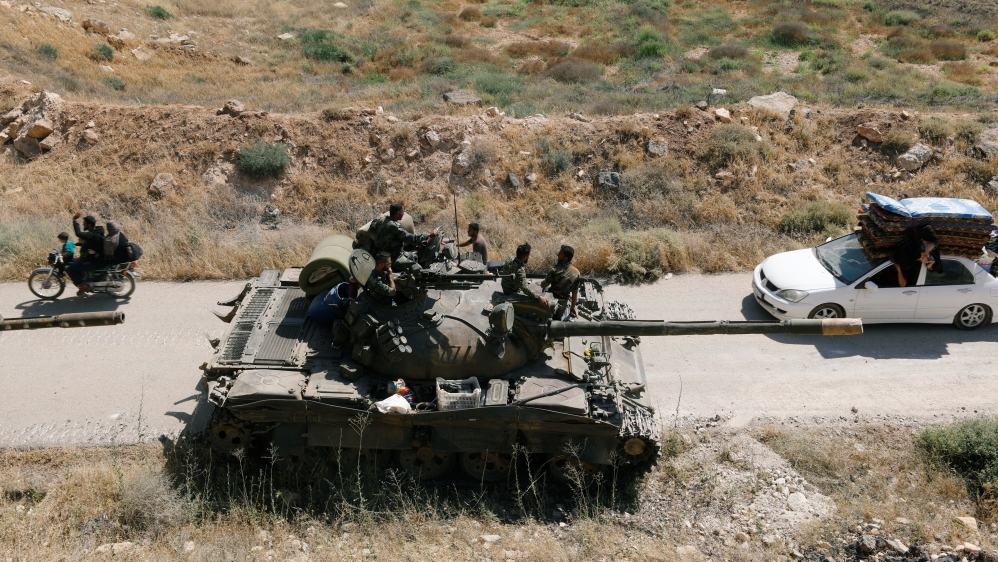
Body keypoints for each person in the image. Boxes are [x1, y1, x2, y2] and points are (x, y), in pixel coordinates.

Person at [374, 203, 439, 272]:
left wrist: (379, 217)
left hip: (389, 255)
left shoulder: (381, 221)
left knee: (416, 256)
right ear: (397, 213)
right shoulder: (394, 227)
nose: (403, 214)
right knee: (417, 268)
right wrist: (428, 235)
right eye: (402, 211)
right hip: (393, 259)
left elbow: (373, 223)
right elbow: (411, 238)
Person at [68, 212, 106, 295]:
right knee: (76, 262)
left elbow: (78, 234)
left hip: (95, 261)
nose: (83, 225)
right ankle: (84, 281)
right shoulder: (98, 231)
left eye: (84, 223)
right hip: (94, 258)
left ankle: (83, 286)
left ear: (89, 225)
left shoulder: (92, 234)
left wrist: (74, 220)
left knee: (71, 269)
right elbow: (93, 243)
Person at [541, 245, 581, 320]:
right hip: (563, 303)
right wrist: (572, 307)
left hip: (551, 301)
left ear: (565, 258)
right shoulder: (576, 273)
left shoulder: (555, 270)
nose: (557, 255)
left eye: (560, 254)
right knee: (557, 320)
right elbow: (575, 292)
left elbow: (543, 285)